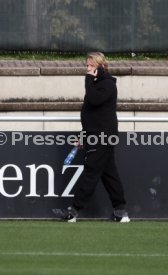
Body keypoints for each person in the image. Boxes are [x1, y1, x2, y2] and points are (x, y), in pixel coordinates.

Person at [53, 52, 130, 223]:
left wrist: (88, 81)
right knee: (109, 174)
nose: (87, 69)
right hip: (96, 135)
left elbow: (94, 101)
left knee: (90, 172)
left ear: (101, 67)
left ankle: (73, 211)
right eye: (86, 65)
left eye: (90, 66)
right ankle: (121, 211)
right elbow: (92, 115)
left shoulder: (107, 85)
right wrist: (84, 135)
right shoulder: (97, 84)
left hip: (101, 137)